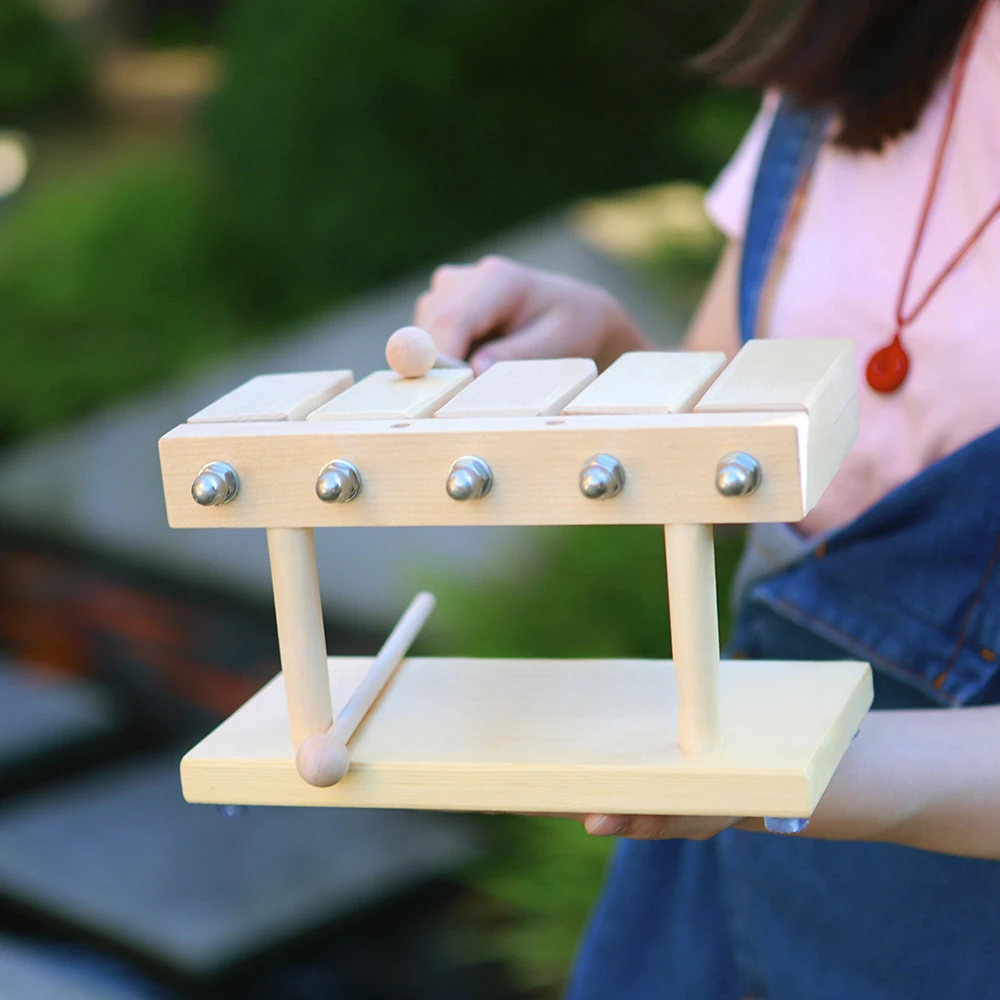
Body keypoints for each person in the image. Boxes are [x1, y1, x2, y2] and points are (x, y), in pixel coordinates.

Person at [414, 0, 1000, 996]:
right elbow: (725, 474)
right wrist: (600, 355)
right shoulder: (876, 38)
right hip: (730, 855)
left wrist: (785, 763)